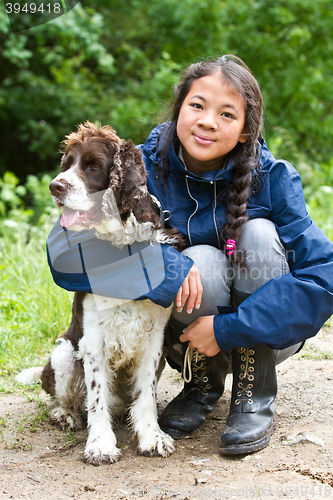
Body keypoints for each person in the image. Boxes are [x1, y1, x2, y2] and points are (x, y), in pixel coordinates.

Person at [47, 55, 333, 455]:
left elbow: (324, 276)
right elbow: (63, 254)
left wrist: (226, 329)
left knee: (257, 233)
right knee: (197, 259)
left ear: (247, 132)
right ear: (179, 108)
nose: (207, 121)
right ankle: (201, 384)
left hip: (263, 334)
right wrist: (167, 267)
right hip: (182, 337)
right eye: (197, 105)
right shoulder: (141, 165)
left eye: (227, 113)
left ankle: (252, 392)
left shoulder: (274, 179)